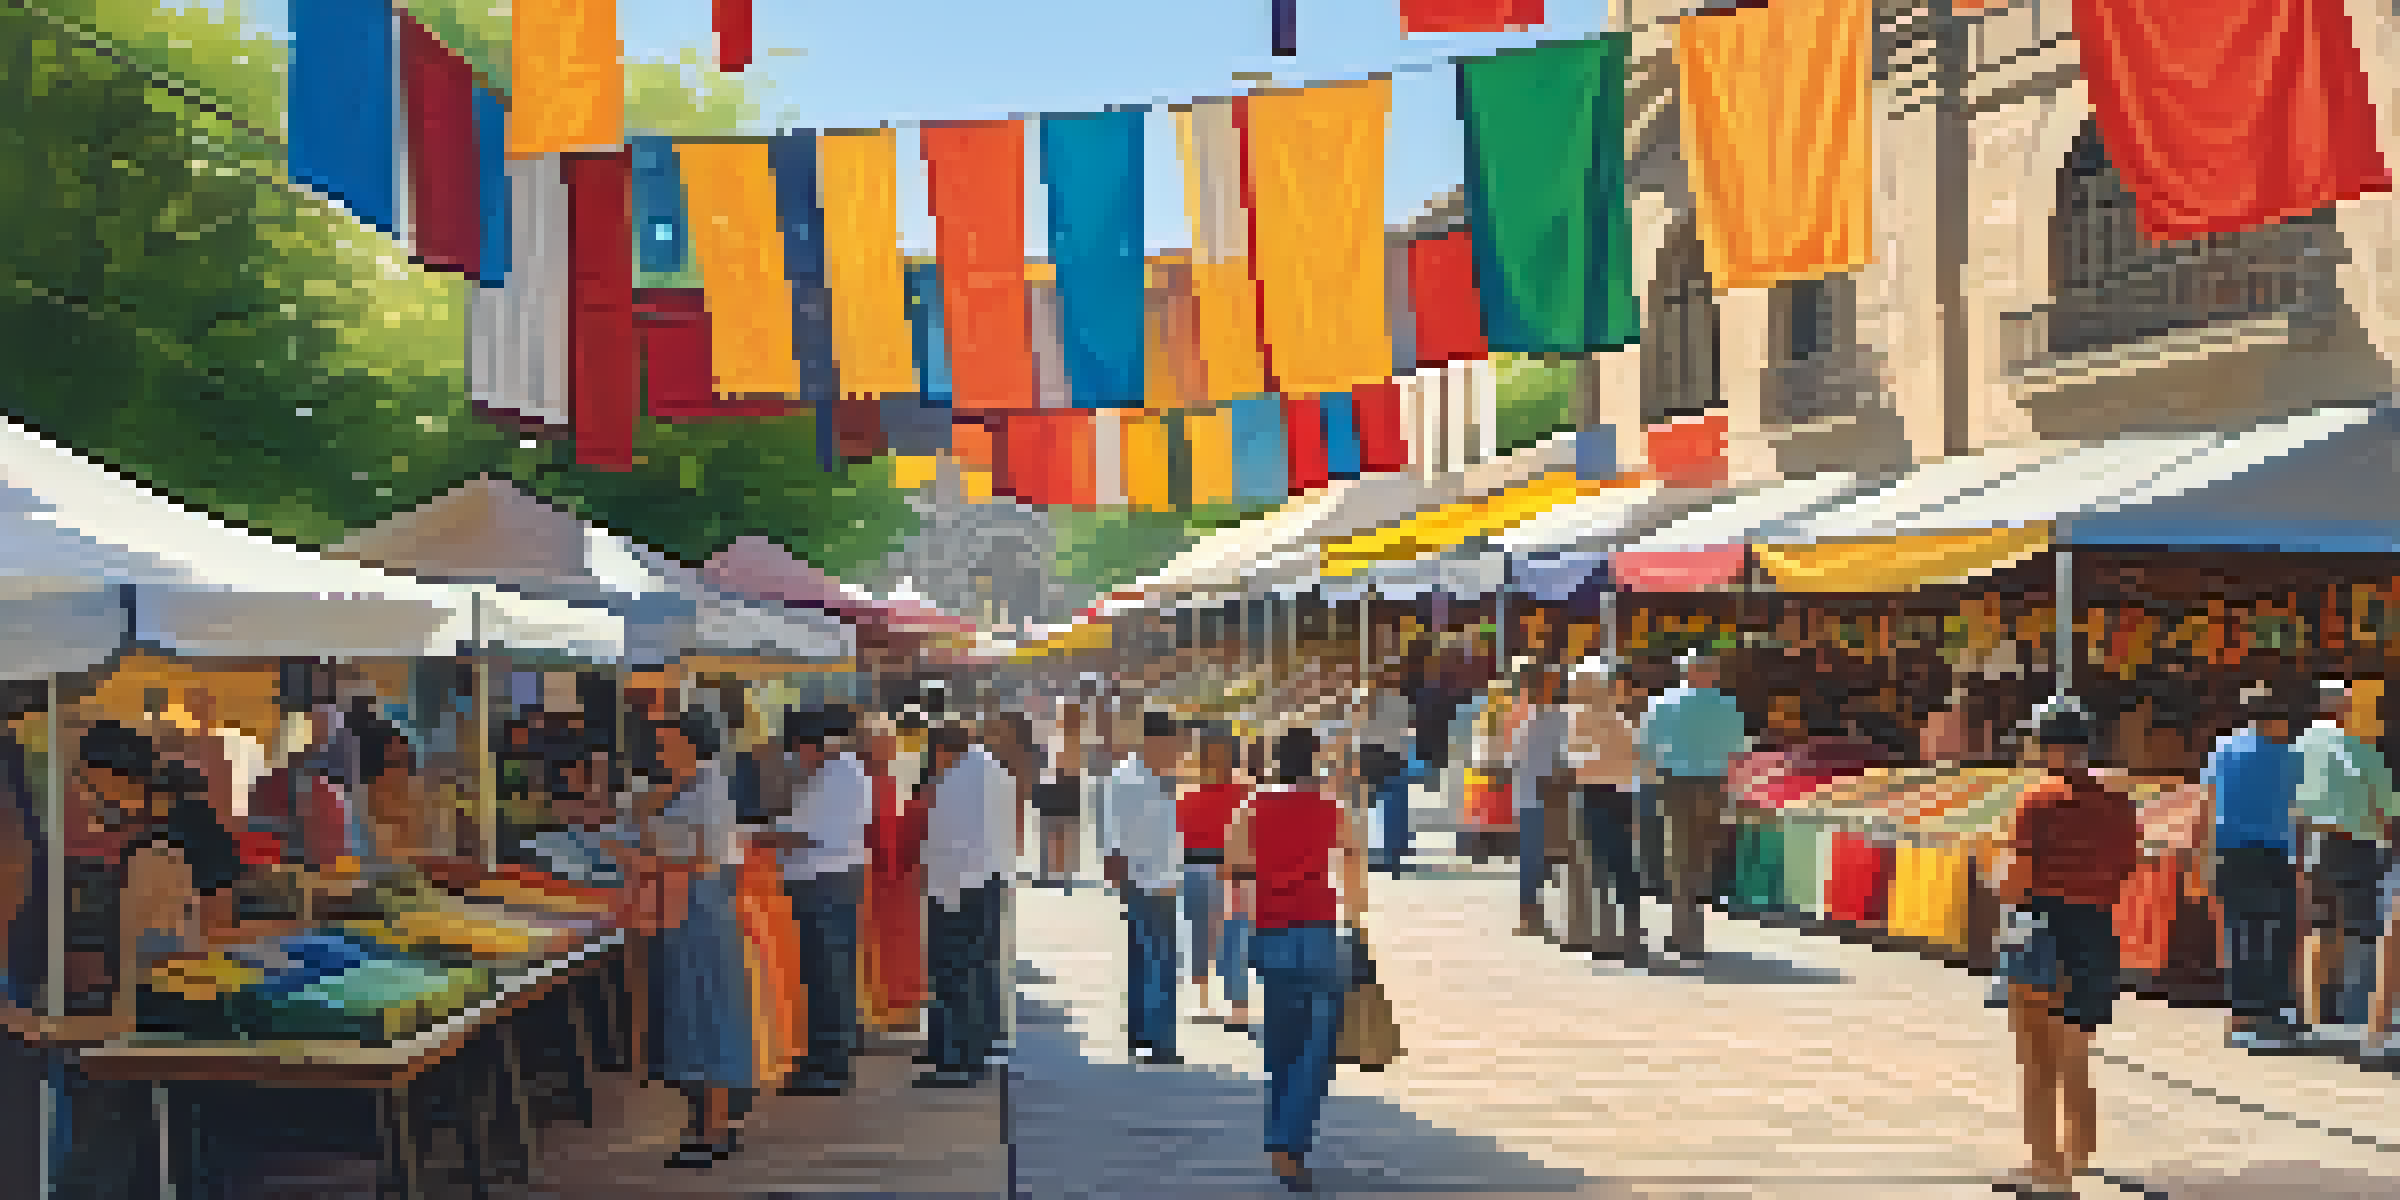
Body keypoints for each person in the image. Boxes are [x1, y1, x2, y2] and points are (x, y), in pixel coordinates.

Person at [1991, 700, 2140, 1195]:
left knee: (2036, 1057)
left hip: (2043, 929)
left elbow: (2017, 879)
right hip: (2096, 930)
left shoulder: (2037, 802)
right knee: (2076, 1050)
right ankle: (2078, 1153)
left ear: (2043, 746)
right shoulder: (2119, 804)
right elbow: (2126, 869)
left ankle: (2046, 1171)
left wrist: (1994, 883)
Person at [1223, 726, 1367, 1193]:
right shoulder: (1331, 808)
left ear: (1274, 760)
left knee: (1281, 1045)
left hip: (1271, 929)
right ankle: (1290, 1141)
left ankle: (1277, 1136)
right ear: (1315, 759)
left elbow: (1231, 864)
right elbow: (1352, 856)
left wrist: (1268, 872)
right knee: (1317, 1047)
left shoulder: (1252, 807)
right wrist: (1356, 916)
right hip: (1321, 929)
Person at [645, 705, 756, 1169]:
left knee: (707, 1015)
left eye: (667, 742)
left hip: (700, 911)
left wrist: (649, 863)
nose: (660, 751)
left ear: (690, 744)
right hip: (689, 910)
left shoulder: (708, 790)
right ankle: (711, 1124)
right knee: (700, 1014)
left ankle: (713, 1128)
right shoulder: (694, 786)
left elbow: (709, 858)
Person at [763, 706, 873, 1096]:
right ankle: (824, 1059)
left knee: (826, 976)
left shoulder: (837, 776)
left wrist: (752, 837)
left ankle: (829, 1065)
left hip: (824, 882)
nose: (798, 760)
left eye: (798, 751)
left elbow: (804, 834)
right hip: (825, 880)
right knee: (825, 974)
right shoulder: (837, 773)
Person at [2202, 683, 2306, 1050]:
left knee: (2241, 932)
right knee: (2278, 932)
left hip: (2231, 852)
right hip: (2276, 854)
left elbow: (2208, 804)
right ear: (2274, 719)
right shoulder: (2293, 757)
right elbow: (2301, 809)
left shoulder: (2224, 748)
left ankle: (2243, 1017)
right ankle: (2272, 1012)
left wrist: (2203, 857)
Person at [2293, 679, 2398, 1038]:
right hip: (2356, 845)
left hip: (2311, 841)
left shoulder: (2298, 746)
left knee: (2319, 927)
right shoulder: (2359, 748)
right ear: (2343, 708)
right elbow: (2390, 808)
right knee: (2361, 930)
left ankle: (2313, 1013)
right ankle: (2355, 1012)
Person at [917, 723, 1015, 1088]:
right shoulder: (995, 771)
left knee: (954, 975)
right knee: (980, 970)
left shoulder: (956, 781)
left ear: (942, 751)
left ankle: (955, 1061)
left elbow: (948, 843)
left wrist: (937, 888)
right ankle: (977, 1052)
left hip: (959, 888)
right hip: (989, 882)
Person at [1636, 652, 1749, 962]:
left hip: (1676, 784)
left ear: (1685, 672)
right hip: (1714, 784)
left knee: (1679, 856)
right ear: (1712, 673)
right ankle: (1692, 927)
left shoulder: (1662, 703)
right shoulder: (1728, 706)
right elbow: (1739, 749)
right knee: (1703, 856)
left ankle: (1683, 930)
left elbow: (1646, 748)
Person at [1099, 711, 1185, 1065]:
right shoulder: (1132, 781)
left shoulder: (1150, 777)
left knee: (1143, 959)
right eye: (1174, 745)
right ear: (1155, 743)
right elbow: (1114, 842)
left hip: (1153, 880)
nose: (1178, 752)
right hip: (1150, 882)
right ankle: (1159, 1041)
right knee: (1160, 963)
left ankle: (1142, 1035)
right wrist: (1124, 883)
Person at [1568, 660, 1653, 967]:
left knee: (1605, 865)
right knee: (1618, 865)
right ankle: (1625, 934)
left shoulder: (1590, 719)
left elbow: (1576, 761)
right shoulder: (1612, 719)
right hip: (1617, 795)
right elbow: (1642, 762)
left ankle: (1612, 936)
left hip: (1600, 795)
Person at [860, 715, 929, 1034]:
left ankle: (886, 1011)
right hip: (882, 878)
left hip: (882, 877)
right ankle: (888, 1011)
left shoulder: (878, 781)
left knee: (881, 951)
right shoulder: (882, 782)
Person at [1180, 730, 1252, 1025]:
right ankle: (1226, 1005)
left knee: (1218, 938)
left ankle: (1220, 1004)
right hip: (1213, 869)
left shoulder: (1187, 789)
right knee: (1222, 938)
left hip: (1215, 870)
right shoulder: (1242, 789)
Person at [1510, 664, 1571, 939]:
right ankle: (1530, 915)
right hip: (1541, 796)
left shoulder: (1551, 718)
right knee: (1535, 860)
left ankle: (1533, 916)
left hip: (1543, 796)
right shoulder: (1551, 719)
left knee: (1538, 859)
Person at [1034, 702, 1087, 888]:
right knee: (1062, 832)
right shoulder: (1074, 738)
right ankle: (1061, 872)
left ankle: (1056, 874)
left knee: (1055, 832)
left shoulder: (1064, 738)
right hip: (1067, 787)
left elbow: (1058, 765)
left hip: (1059, 786)